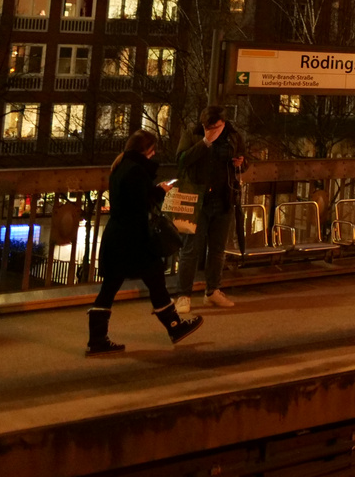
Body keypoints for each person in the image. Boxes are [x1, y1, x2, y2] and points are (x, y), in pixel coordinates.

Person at [87, 130, 204, 355]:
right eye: (153, 151)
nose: (154, 155)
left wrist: (154, 190)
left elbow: (131, 200)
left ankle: (97, 339)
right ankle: (174, 326)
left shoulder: (120, 166)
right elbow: (140, 204)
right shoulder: (137, 171)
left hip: (117, 236)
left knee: (110, 287)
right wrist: (159, 192)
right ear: (147, 150)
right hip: (134, 238)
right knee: (155, 279)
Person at [175, 105, 245, 313]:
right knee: (190, 249)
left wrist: (241, 163)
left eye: (217, 127)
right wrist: (205, 143)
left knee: (217, 249)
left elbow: (243, 162)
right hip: (196, 198)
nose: (213, 130)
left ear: (224, 124)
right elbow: (181, 160)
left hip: (223, 198)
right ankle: (183, 295)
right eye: (209, 127)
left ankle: (212, 290)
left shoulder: (233, 136)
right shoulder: (193, 134)